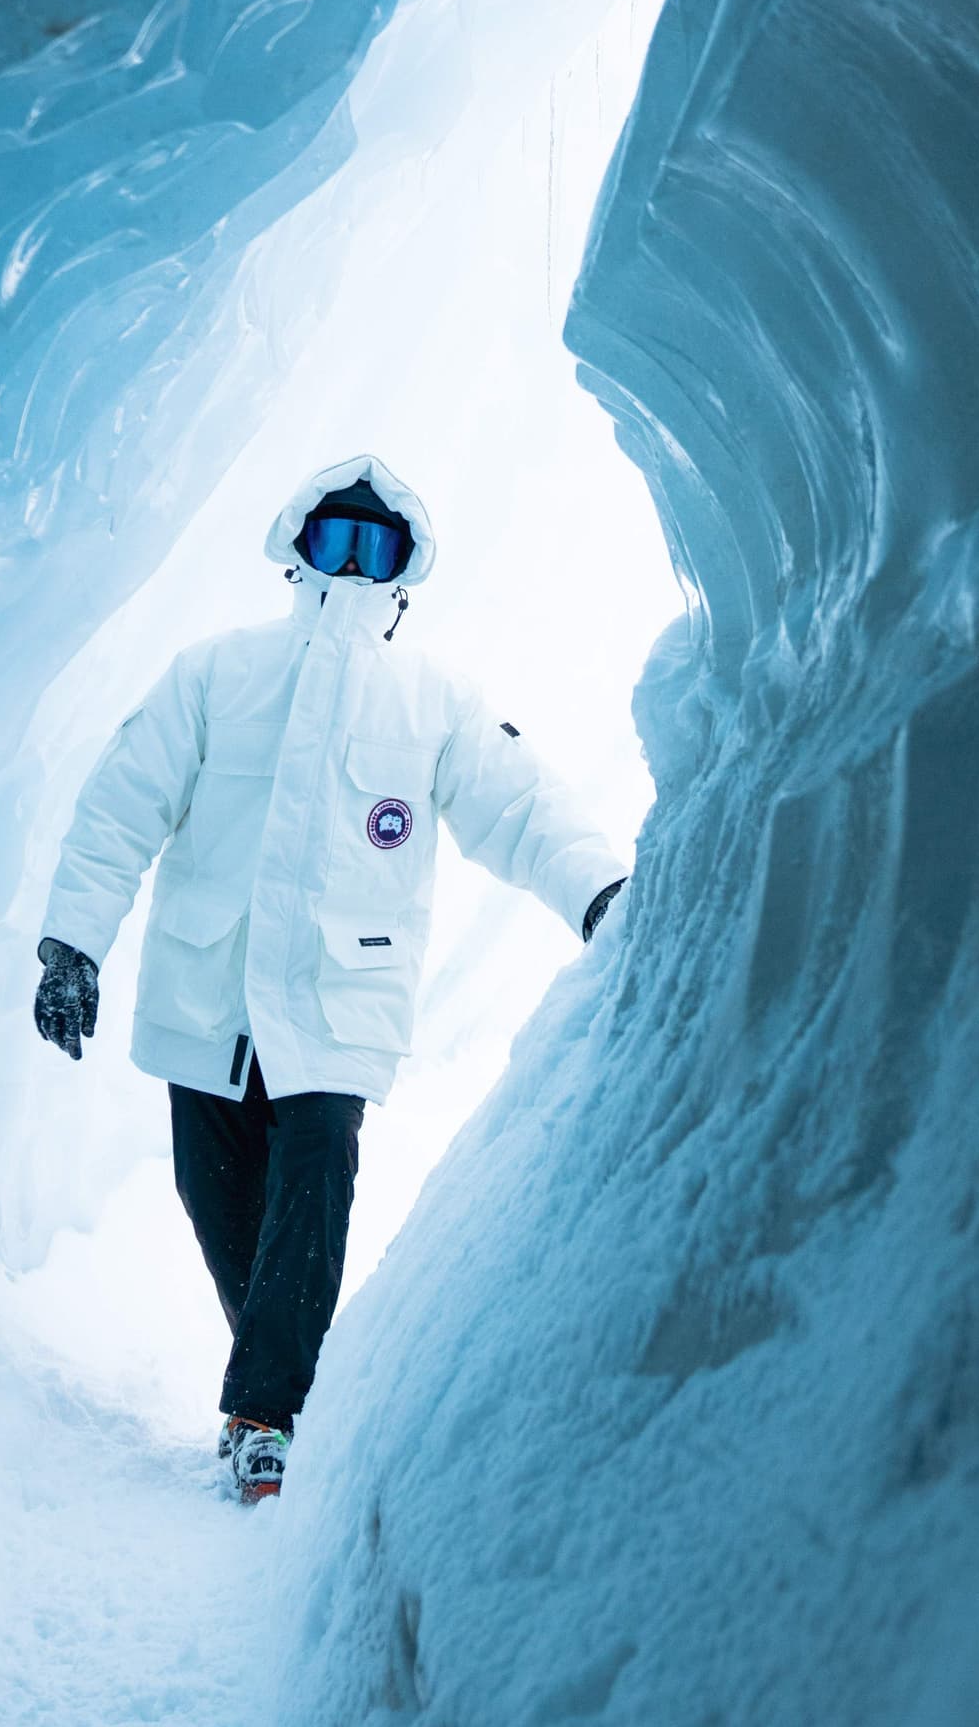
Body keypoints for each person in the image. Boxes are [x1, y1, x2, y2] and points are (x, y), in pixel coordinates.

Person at [32, 457, 628, 1502]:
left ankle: (267, 1417)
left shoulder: (432, 701)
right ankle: (281, 1378)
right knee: (218, 1204)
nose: (350, 566)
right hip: (207, 998)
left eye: (375, 547)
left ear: (406, 571)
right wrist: (71, 943)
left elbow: (519, 805)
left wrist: (600, 892)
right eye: (332, 542)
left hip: (337, 1009)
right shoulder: (215, 675)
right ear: (292, 549)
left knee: (310, 1196)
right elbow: (124, 801)